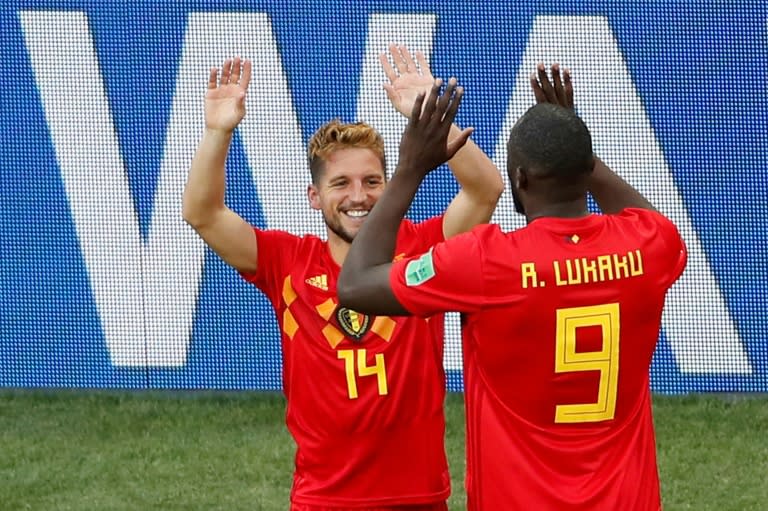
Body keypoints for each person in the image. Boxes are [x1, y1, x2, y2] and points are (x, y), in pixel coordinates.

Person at [338, 64, 688, 510]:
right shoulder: (647, 249)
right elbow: (653, 223)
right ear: (586, 169)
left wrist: (410, 167)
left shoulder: (485, 261)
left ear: (519, 179)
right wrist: (575, 146)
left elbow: (355, 284)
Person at [182, 45, 503, 510]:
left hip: (418, 496)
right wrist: (216, 132)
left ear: (390, 186)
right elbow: (202, 213)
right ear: (314, 196)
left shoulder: (423, 249)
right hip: (324, 500)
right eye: (341, 184)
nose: (359, 196)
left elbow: (485, 189)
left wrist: (428, 119)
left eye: (372, 182)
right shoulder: (285, 261)